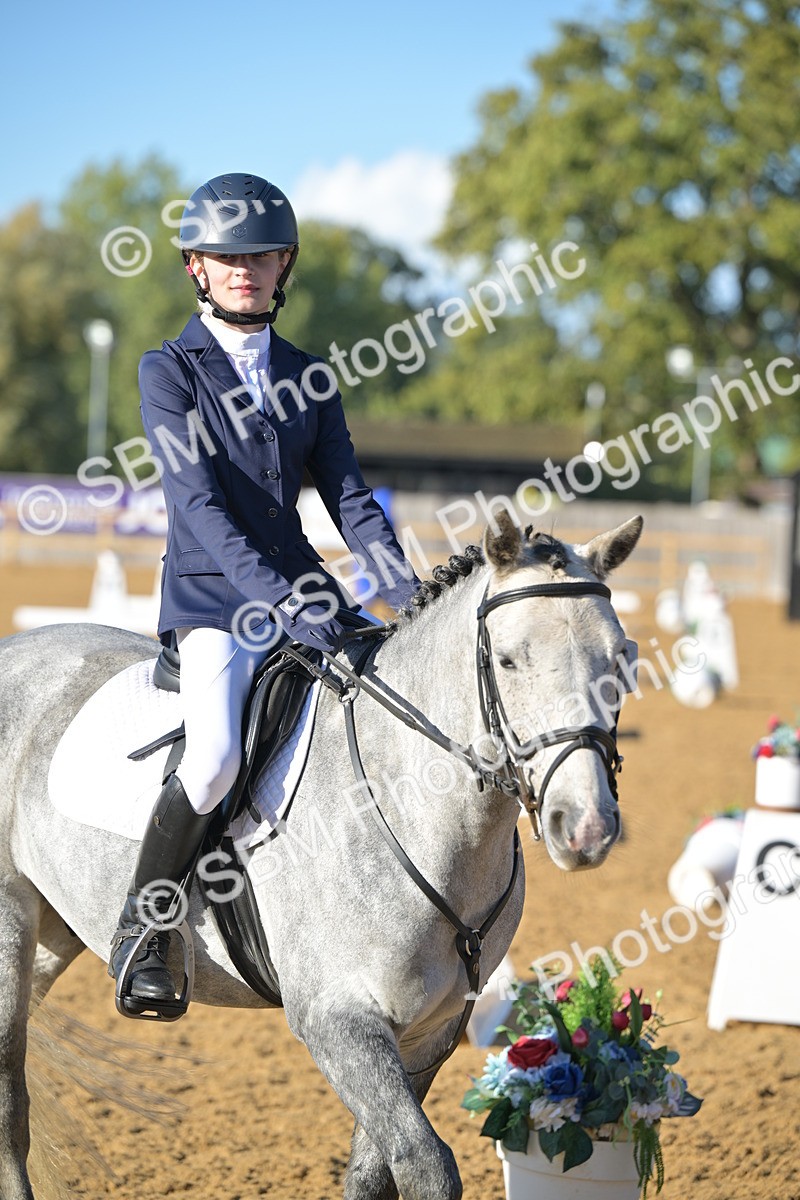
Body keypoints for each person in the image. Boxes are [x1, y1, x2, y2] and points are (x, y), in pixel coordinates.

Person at [109, 172, 420, 1016]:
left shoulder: (310, 374)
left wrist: (405, 593)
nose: (244, 269)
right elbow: (200, 511)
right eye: (227, 257)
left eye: (261, 256)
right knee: (214, 757)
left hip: (308, 592)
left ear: (285, 265)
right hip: (215, 600)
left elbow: (351, 498)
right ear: (197, 267)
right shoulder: (168, 371)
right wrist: (282, 603)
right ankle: (146, 929)